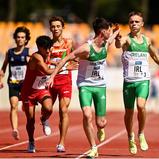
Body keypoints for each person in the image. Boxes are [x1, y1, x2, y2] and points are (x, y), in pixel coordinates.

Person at [47, 17, 120, 158]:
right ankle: (93, 147)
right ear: (102, 31)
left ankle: (100, 128)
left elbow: (112, 39)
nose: (110, 33)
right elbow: (65, 59)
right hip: (85, 85)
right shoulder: (86, 48)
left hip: (100, 86)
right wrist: (52, 76)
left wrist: (117, 32)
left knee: (102, 123)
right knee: (87, 115)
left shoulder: (106, 43)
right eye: (109, 31)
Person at [115, 11, 159, 154]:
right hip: (129, 82)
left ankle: (141, 133)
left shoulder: (146, 40)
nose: (134, 24)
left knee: (141, 106)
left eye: (136, 21)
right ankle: (130, 137)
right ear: (129, 24)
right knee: (129, 112)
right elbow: (118, 45)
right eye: (131, 22)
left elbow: (154, 55)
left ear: (142, 24)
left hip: (143, 80)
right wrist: (117, 39)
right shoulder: (127, 40)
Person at [21, 35, 55, 153]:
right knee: (30, 119)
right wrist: (63, 67)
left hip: (41, 89)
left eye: (48, 48)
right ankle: (31, 141)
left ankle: (44, 118)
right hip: (28, 92)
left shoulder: (49, 54)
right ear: (39, 47)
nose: (47, 50)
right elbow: (47, 71)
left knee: (49, 108)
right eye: (44, 48)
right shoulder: (36, 57)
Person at [47, 16, 75, 152]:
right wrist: (54, 64)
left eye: (58, 26)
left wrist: (75, 64)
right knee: (47, 109)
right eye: (53, 26)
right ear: (50, 28)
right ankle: (44, 119)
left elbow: (75, 56)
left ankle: (61, 142)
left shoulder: (69, 42)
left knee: (63, 110)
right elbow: (44, 61)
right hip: (51, 80)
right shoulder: (47, 44)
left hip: (65, 81)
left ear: (63, 27)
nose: (55, 28)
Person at [0, 26, 31, 140]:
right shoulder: (10, 52)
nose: (20, 39)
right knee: (13, 106)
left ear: (26, 39)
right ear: (15, 38)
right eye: (18, 37)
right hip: (13, 83)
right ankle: (15, 129)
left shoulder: (29, 52)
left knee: (28, 108)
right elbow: (3, 68)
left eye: (22, 37)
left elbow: (34, 67)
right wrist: (0, 80)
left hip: (25, 85)